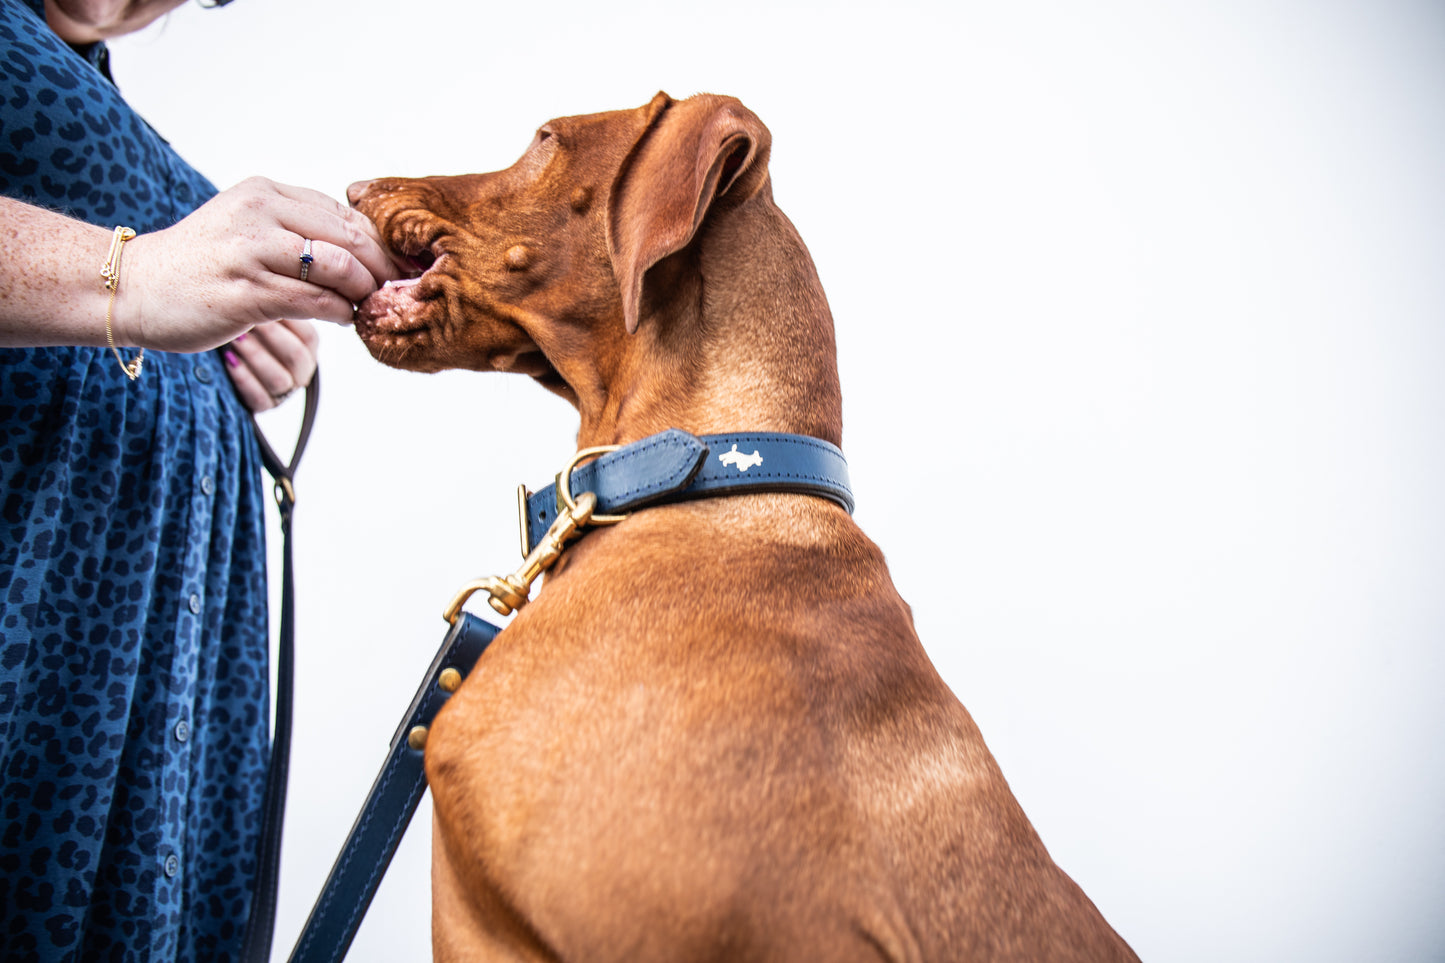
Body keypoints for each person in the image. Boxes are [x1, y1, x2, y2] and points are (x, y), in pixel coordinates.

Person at [0, 0, 399, 958]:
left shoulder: (102, 96)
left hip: (156, 707)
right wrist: (134, 276)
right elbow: (131, 275)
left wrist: (234, 334)